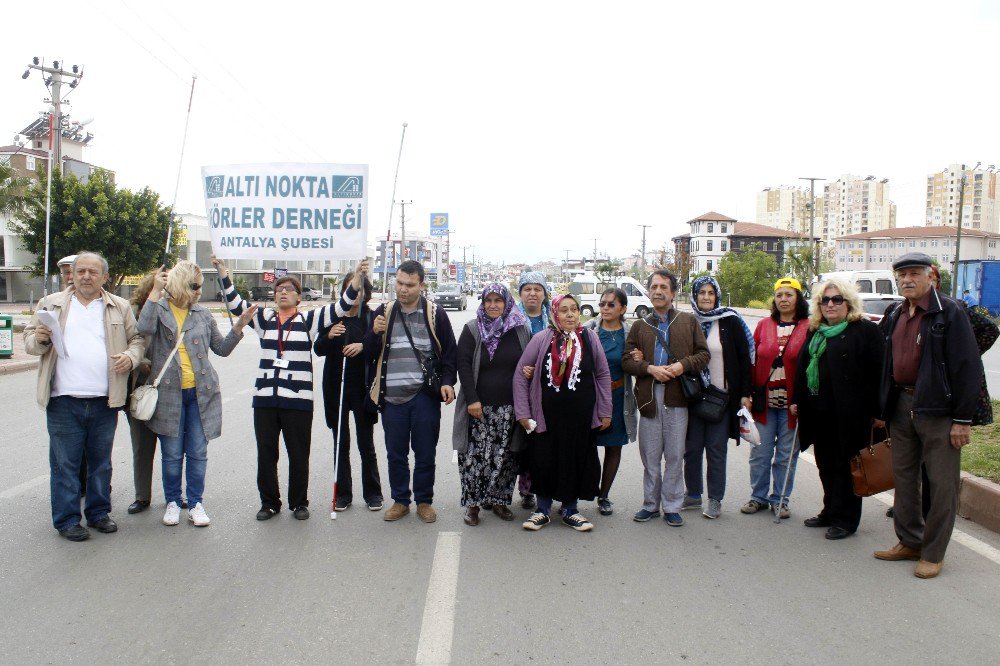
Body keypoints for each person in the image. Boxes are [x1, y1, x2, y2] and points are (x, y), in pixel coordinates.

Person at [214, 255, 366, 521]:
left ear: (298, 297)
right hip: (265, 400)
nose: (282, 293)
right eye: (278, 290)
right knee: (266, 454)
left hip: (298, 401)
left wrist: (356, 276)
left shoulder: (309, 321)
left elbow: (343, 306)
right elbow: (237, 304)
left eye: (289, 290)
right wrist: (224, 273)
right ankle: (269, 502)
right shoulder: (264, 320)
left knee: (298, 454)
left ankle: (299, 502)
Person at [874, 253, 984, 579]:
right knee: (904, 479)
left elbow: (968, 367)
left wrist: (963, 419)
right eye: (901, 274)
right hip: (901, 406)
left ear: (930, 276)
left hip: (939, 412)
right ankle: (909, 541)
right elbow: (884, 362)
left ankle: (933, 552)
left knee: (942, 484)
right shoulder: (895, 313)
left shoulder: (949, 312)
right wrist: (881, 408)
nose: (907, 279)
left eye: (913, 273)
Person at [24, 252, 145, 541]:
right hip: (63, 400)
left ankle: (99, 513)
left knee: (100, 462)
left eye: (93, 272)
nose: (86, 276)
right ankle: (66, 520)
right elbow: (30, 342)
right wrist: (40, 338)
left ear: (105, 277)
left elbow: (137, 340)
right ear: (72, 275)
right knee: (64, 464)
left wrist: (130, 357)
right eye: (80, 272)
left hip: (105, 400)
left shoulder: (120, 306)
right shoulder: (50, 304)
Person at [138, 261, 256, 527]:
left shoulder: (202, 314)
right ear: (180, 284)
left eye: (201, 286)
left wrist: (239, 327)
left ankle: (195, 503)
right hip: (169, 395)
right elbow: (142, 329)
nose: (199, 291)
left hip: (201, 394)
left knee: (198, 452)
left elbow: (221, 349)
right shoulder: (159, 310)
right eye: (194, 286)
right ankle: (172, 502)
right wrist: (155, 291)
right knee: (171, 453)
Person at [365, 260, 458, 524]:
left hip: (424, 396)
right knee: (396, 453)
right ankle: (400, 500)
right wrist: (373, 333)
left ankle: (424, 501)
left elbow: (449, 354)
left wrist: (448, 381)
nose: (403, 289)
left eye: (409, 284)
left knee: (425, 452)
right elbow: (369, 354)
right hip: (392, 397)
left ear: (421, 285)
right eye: (399, 283)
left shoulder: (435, 314)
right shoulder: (383, 312)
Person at [790, 279, 883, 540]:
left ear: (848, 303)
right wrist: (797, 398)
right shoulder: (816, 330)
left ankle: (846, 519)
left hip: (851, 414)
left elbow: (879, 373)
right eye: (825, 300)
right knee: (825, 464)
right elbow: (802, 367)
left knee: (847, 466)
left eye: (836, 299)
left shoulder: (864, 331)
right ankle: (830, 510)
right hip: (819, 411)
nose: (830, 304)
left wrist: (879, 412)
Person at [513, 294, 612, 531]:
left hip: (580, 416)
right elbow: (520, 375)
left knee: (576, 459)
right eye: (564, 310)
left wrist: (605, 410)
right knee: (544, 460)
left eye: (574, 309)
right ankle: (542, 510)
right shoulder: (541, 338)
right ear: (555, 313)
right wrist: (524, 414)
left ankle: (570, 509)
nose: (570, 314)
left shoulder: (589, 338)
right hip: (546, 416)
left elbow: (602, 373)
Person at [622, 270, 709, 528]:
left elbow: (703, 355)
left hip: (678, 399)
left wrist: (682, 366)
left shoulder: (688, 321)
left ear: (672, 293)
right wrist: (649, 368)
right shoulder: (639, 325)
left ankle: (672, 505)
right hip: (649, 399)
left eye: (664, 287)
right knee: (650, 456)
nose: (658, 291)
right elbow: (626, 361)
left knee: (674, 455)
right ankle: (650, 505)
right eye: (654, 286)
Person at [453, 283, 532, 526]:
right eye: (489, 300)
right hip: (478, 408)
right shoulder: (472, 328)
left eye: (498, 300)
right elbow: (463, 365)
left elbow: (529, 360)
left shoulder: (520, 329)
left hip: (510, 408)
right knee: (474, 458)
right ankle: (473, 506)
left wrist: (530, 370)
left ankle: (499, 501)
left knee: (506, 457)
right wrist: (473, 399)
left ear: (507, 302)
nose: (493, 305)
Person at [682, 276, 754, 520]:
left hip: (721, 399)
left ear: (717, 295)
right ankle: (693, 494)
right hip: (693, 398)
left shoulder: (730, 321)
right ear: (694, 295)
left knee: (715, 450)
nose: (705, 297)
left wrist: (745, 393)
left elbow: (745, 359)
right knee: (691, 449)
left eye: (710, 292)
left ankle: (715, 499)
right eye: (701, 292)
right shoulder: (688, 321)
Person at [741, 277, 810, 519]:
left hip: (793, 406)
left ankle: (780, 499)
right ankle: (757, 497)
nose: (783, 299)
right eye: (779, 295)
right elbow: (752, 360)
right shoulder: (763, 325)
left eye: (789, 295)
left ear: (798, 298)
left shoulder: (808, 326)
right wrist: (746, 393)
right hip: (764, 404)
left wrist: (806, 400)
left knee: (785, 455)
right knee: (760, 453)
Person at [314, 272, 384, 512]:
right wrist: (328, 336)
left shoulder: (370, 316)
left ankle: (373, 493)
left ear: (366, 293)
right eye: (350, 288)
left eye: (360, 289)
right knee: (340, 442)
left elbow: (379, 348)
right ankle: (343, 494)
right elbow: (318, 349)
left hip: (362, 388)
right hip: (336, 386)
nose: (355, 294)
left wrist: (364, 344)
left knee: (366, 443)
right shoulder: (333, 316)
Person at [583, 287, 638, 516]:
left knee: (613, 447)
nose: (605, 308)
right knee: (587, 447)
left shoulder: (630, 334)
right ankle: (583, 490)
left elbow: (638, 362)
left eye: (611, 304)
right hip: (590, 398)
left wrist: (639, 357)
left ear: (623, 308)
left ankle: (604, 496)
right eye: (602, 303)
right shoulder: (588, 330)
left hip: (618, 397)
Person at [514, 271, 552, 509]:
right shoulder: (511, 319)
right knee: (521, 441)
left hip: (548, 389)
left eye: (537, 289)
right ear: (520, 293)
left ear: (545, 293)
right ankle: (525, 489)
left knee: (543, 441)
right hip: (519, 387)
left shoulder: (554, 318)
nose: (532, 293)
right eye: (527, 289)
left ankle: (544, 487)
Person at [125, 270, 159, 514]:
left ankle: (176, 495)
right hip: (141, 388)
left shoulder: (181, 310)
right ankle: (142, 496)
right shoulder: (132, 311)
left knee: (175, 449)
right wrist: (140, 360)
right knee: (142, 446)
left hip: (172, 388)